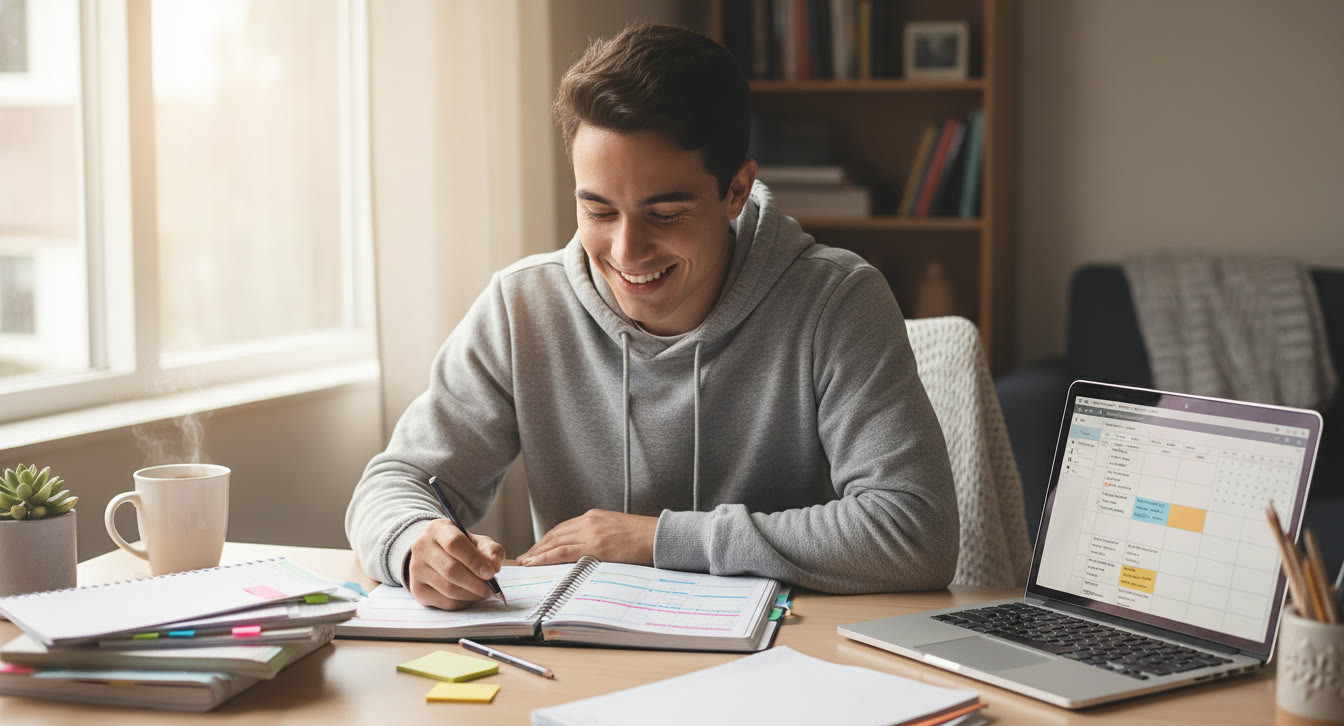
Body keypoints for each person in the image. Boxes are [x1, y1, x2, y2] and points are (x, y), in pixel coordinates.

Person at [346, 23, 957, 611]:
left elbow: (916, 530)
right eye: (600, 211)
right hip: (582, 667)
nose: (626, 252)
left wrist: (658, 540)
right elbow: (395, 482)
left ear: (737, 191)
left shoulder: (837, 301)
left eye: (665, 213)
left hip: (784, 664)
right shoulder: (522, 308)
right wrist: (411, 542)